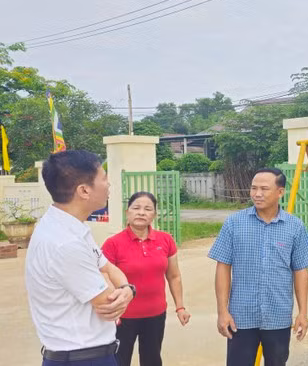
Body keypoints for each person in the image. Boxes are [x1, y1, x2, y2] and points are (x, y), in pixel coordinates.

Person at [25, 150, 136, 366]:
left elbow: (109, 268)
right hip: (81, 358)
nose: (109, 184)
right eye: (103, 178)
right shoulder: (64, 242)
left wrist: (127, 288)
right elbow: (108, 302)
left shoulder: (70, 227)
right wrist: (116, 285)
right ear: (84, 190)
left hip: (89, 355)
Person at [208, 168, 308, 366]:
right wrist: (222, 311)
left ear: (280, 192)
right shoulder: (234, 223)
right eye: (253, 188)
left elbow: (300, 270)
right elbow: (223, 267)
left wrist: (303, 313)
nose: (257, 194)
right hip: (240, 316)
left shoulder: (295, 227)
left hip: (278, 315)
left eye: (264, 189)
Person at [101, 192, 190, 366]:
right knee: (119, 361)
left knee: (152, 360)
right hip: (123, 317)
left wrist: (180, 307)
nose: (141, 212)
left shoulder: (165, 240)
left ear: (154, 214)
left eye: (148, 209)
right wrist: (112, 310)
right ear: (127, 212)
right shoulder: (113, 243)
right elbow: (104, 278)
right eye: (136, 208)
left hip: (155, 315)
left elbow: (174, 276)